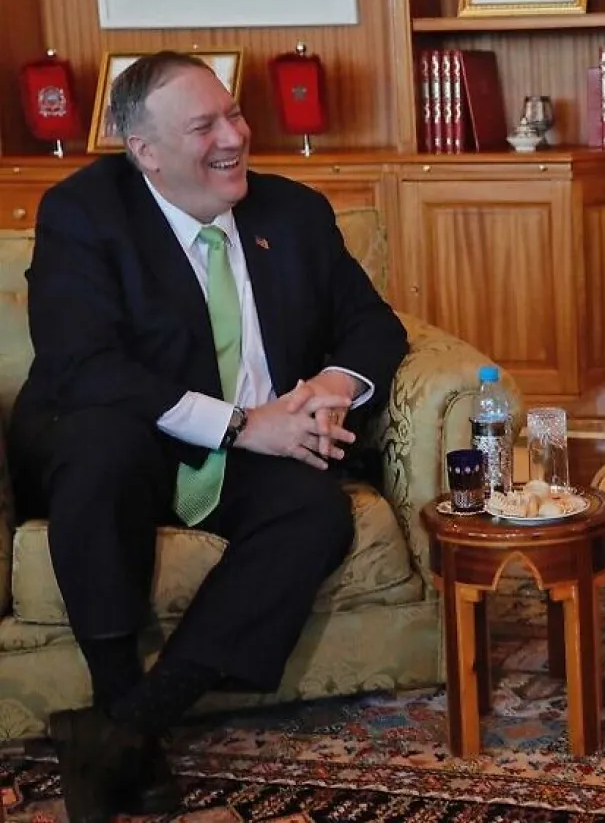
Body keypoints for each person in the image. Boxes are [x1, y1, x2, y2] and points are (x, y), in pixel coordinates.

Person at [6, 51, 409, 821]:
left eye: (235, 114)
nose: (235, 136)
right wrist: (241, 423)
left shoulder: (292, 212)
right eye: (205, 126)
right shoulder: (84, 213)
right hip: (125, 439)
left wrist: (330, 387)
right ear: (145, 152)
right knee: (102, 449)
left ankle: (132, 723)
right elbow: (82, 364)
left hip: (248, 449)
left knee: (314, 510)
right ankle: (116, 686)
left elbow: (372, 325)